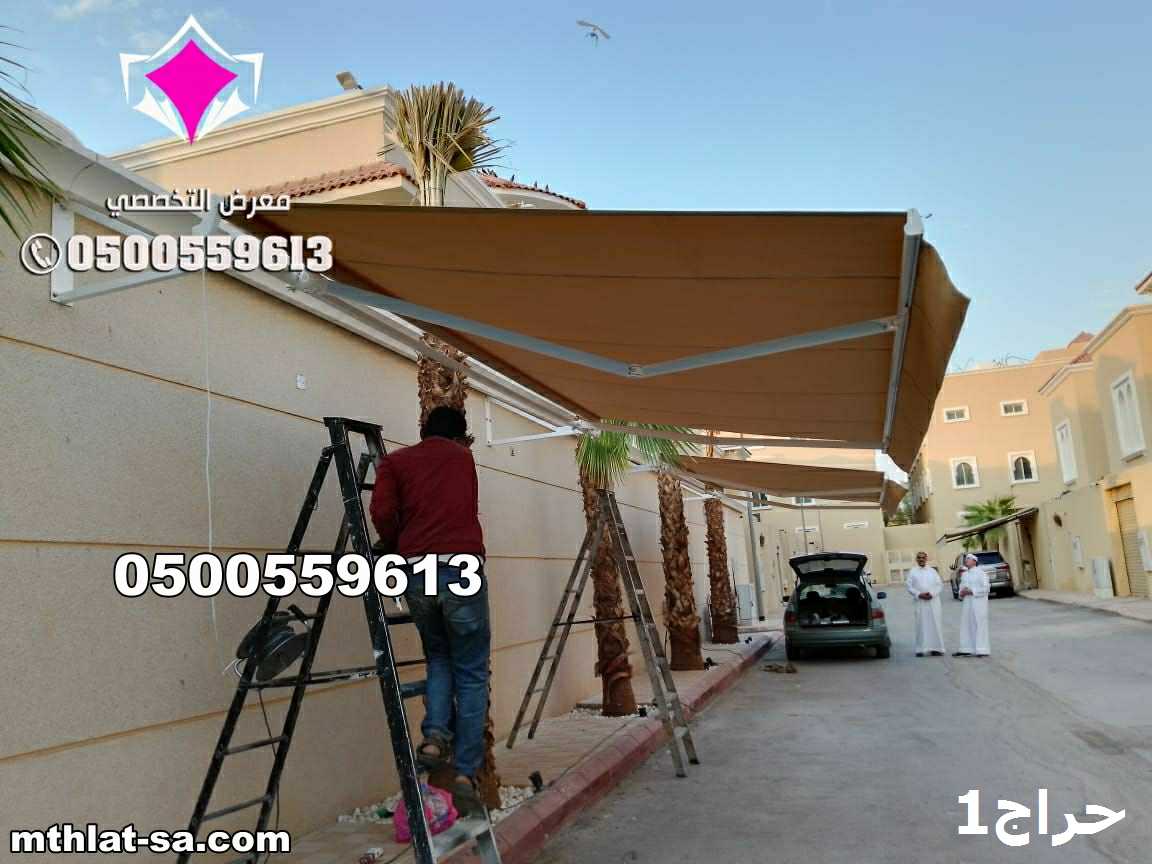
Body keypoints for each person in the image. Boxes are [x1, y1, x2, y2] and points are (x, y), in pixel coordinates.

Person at [369, 406, 489, 815]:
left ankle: (435, 737)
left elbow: (382, 512)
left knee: (438, 656)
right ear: (459, 436)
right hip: (462, 569)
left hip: (417, 570)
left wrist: (394, 540)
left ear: (423, 431)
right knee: (471, 671)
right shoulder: (463, 459)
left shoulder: (395, 462)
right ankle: (465, 773)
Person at [905, 552, 945, 657]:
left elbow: (939, 585)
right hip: (920, 602)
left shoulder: (932, 571)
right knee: (921, 625)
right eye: (919, 558)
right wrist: (919, 594)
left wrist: (932, 594)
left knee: (935, 624)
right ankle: (921, 649)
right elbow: (909, 587)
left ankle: (936, 649)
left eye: (923, 557)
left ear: (926, 559)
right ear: (916, 559)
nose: (921, 559)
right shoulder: (912, 572)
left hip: (933, 602)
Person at [955, 552, 991, 657]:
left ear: (974, 561)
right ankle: (966, 649)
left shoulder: (981, 573)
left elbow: (986, 588)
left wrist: (971, 591)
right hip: (967, 605)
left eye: (968, 559)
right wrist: (961, 593)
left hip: (979, 605)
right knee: (966, 625)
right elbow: (961, 589)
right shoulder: (965, 574)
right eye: (966, 559)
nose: (966, 560)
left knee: (979, 625)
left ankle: (982, 650)